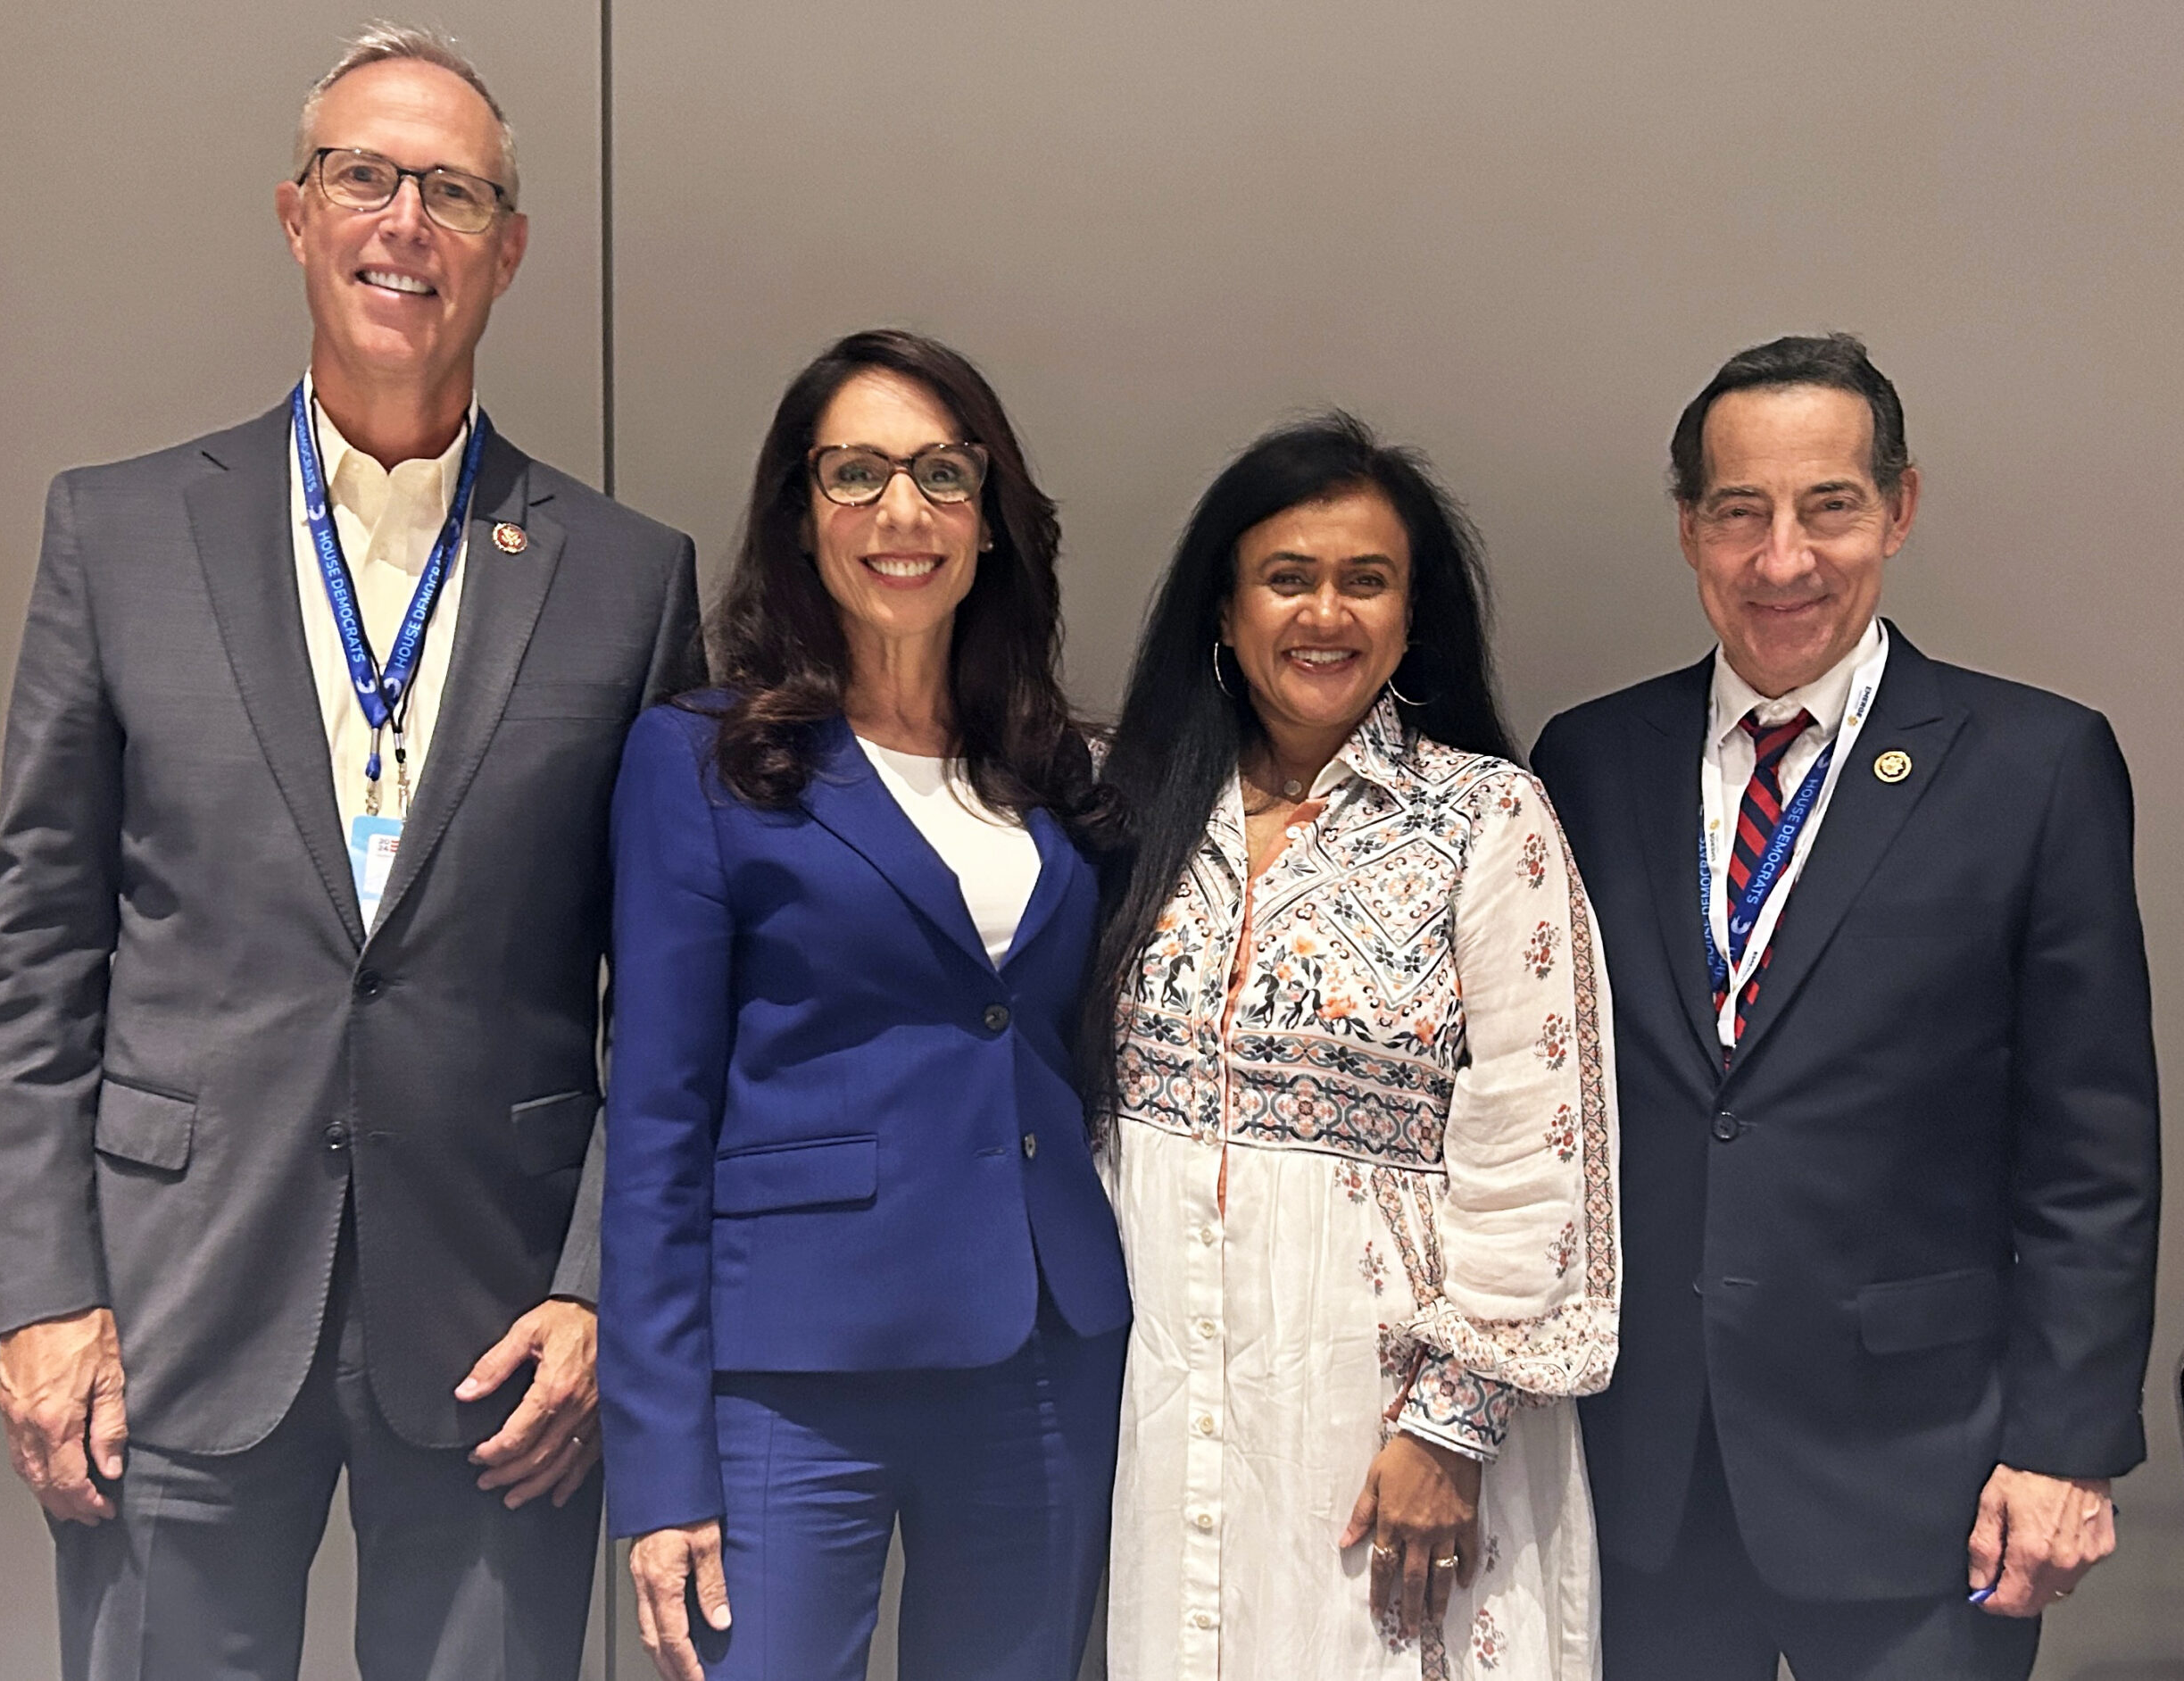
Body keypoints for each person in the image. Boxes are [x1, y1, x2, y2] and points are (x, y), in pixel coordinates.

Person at [0, 25, 704, 1678]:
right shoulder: (121, 531)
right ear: (296, 214)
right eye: (366, 176)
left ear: (510, 248)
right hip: (167, 1315)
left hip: (503, 1341)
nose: (404, 223)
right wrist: (37, 1301)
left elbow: (662, 1002)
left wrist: (597, 1294)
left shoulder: (627, 577)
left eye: (453, 191)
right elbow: (33, 963)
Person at [1530, 333, 2161, 1680]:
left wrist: (2064, 1445)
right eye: (1739, 512)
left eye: (1829, 506)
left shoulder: (2034, 766)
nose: (1783, 561)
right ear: (1689, 528)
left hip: (1921, 1481)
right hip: (1648, 1476)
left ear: (1900, 507)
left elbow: (2091, 1151)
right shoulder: (1586, 762)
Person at [601, 329, 1131, 1681]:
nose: (904, 513)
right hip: (794, 1370)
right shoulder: (703, 763)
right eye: (857, 474)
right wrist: (660, 1463)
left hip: (1041, 1348)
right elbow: (659, 1123)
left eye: (943, 474)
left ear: (994, 522)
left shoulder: (1053, 765)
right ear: (801, 513)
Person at [1092, 413, 1620, 1680]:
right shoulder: (1135, 808)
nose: (1324, 613)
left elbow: (1542, 1147)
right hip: (1171, 1404)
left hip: (1386, 1422)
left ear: (1408, 615)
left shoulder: (1486, 819)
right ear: (1224, 610)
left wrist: (1452, 1424)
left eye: (1364, 581)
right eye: (1288, 577)